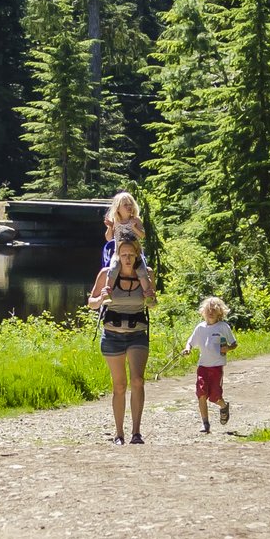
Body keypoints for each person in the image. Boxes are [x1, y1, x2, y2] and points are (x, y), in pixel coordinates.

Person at [88, 229, 156, 445]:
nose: (127, 259)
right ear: (117, 255)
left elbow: (153, 305)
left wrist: (150, 297)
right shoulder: (106, 274)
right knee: (119, 385)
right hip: (112, 335)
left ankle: (136, 432)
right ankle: (119, 433)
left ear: (137, 256)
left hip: (137, 333)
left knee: (138, 380)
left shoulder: (147, 274)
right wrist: (101, 298)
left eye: (131, 255)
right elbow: (91, 303)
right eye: (123, 255)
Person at [183, 296, 237, 433]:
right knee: (201, 393)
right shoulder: (200, 327)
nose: (211, 312)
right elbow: (190, 341)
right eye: (208, 310)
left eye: (214, 310)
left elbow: (234, 344)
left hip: (216, 367)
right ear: (203, 312)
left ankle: (223, 406)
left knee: (215, 396)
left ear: (220, 312)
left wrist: (228, 348)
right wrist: (187, 349)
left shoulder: (223, 327)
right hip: (202, 367)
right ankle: (205, 423)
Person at [101, 191, 146, 268]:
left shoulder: (136, 220)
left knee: (142, 272)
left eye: (130, 204)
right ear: (117, 208)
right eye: (125, 205)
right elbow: (108, 239)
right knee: (112, 271)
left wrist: (134, 228)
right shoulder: (115, 220)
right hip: (119, 255)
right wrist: (110, 227)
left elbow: (142, 235)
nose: (129, 207)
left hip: (135, 254)